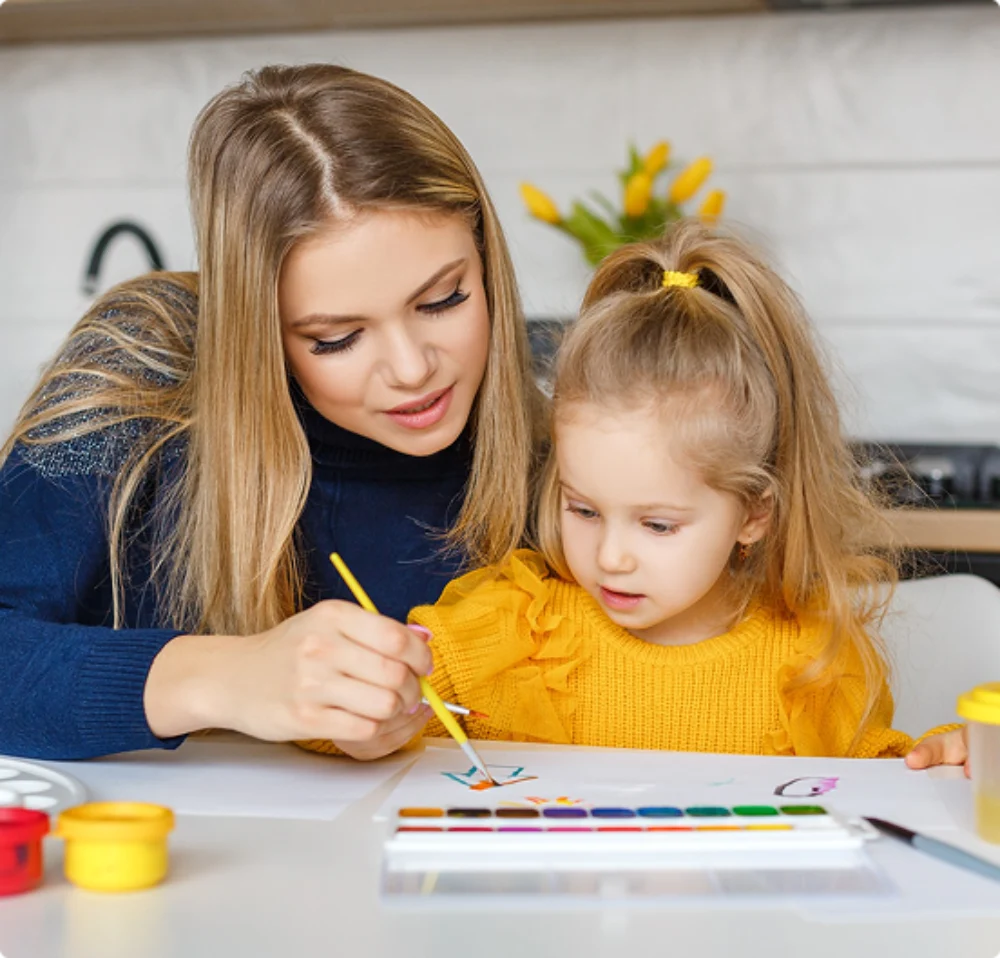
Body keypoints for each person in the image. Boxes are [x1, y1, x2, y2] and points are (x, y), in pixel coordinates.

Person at [0, 64, 544, 761]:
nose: (412, 369)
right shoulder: (144, 361)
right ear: (256, 331)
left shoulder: (563, 435)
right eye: (336, 338)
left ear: (485, 260)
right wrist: (225, 677)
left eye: (443, 300)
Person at [336, 219, 966, 766]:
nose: (611, 556)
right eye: (583, 509)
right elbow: (342, 721)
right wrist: (354, 702)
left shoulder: (810, 666)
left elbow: (880, 783)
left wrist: (943, 758)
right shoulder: (513, 630)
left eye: (657, 525)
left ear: (753, 513)